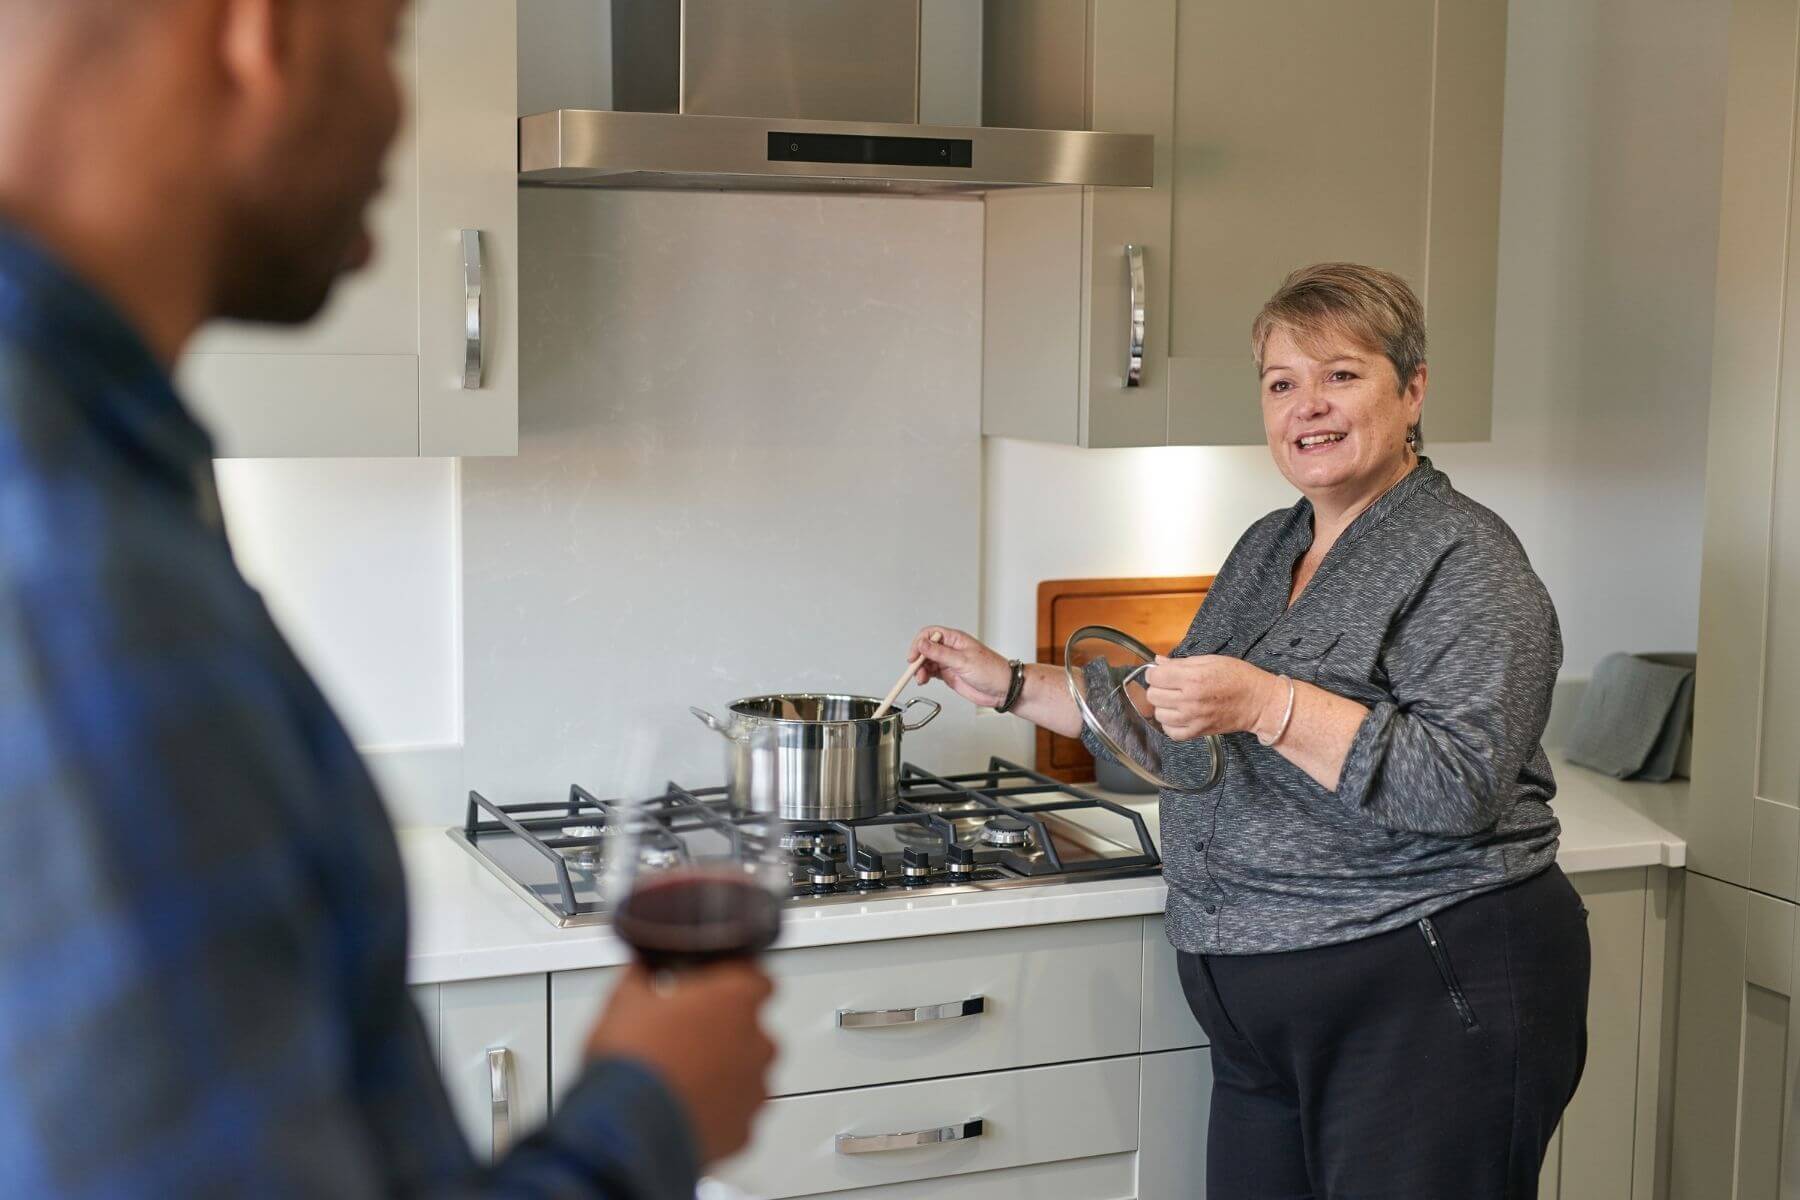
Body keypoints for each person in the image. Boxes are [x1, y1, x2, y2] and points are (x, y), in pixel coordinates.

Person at [0, 2, 772, 1196]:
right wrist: (648, 1114)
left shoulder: (90, 492)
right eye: (389, 39)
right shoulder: (79, 583)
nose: (400, 110)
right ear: (267, 34)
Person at [911, 262, 1589, 1199]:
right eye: (1282, 383)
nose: (1307, 406)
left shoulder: (1467, 558)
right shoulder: (1272, 544)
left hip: (1425, 988)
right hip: (1258, 1010)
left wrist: (1270, 704)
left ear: (1413, 389)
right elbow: (1181, 722)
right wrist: (1014, 684)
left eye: (1341, 374)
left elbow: (1456, 786)